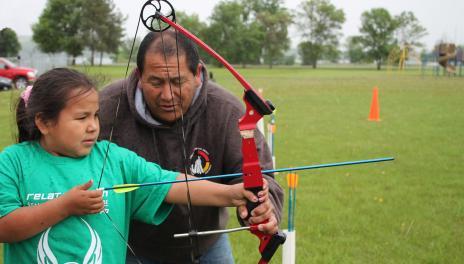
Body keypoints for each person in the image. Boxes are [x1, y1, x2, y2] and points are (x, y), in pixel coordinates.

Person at [0, 68, 267, 264]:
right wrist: (65, 206)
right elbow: (4, 228)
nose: (93, 126)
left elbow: (170, 182)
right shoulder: (13, 162)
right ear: (44, 122)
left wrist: (229, 194)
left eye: (95, 115)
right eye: (81, 118)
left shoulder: (112, 157)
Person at [99, 30, 284, 263]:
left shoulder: (227, 111)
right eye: (156, 82)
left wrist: (262, 210)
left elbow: (260, 177)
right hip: (131, 245)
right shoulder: (105, 108)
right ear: (139, 75)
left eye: (177, 81)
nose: (167, 95)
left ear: (197, 74)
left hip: (207, 245)